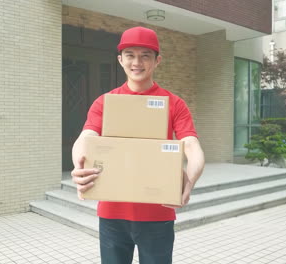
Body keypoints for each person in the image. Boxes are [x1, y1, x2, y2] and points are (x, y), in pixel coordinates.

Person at [71, 26, 205, 264]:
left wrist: (190, 183)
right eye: (130, 55)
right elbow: (86, 137)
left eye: (145, 55)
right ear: (120, 60)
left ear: (157, 60)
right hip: (112, 213)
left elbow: (191, 145)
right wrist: (79, 165)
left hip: (157, 213)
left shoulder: (174, 104)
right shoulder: (106, 103)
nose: (137, 62)